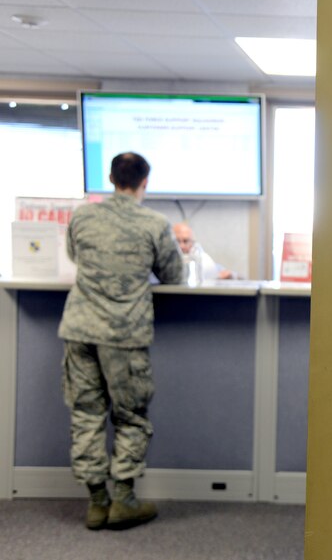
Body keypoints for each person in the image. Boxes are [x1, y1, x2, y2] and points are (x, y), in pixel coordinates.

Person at [58, 152, 183, 530]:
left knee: (86, 414)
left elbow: (73, 255)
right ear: (145, 181)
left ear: (110, 177)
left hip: (79, 329)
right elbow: (173, 274)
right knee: (130, 415)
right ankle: (124, 500)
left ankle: (97, 503)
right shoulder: (154, 223)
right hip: (124, 334)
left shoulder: (82, 216)